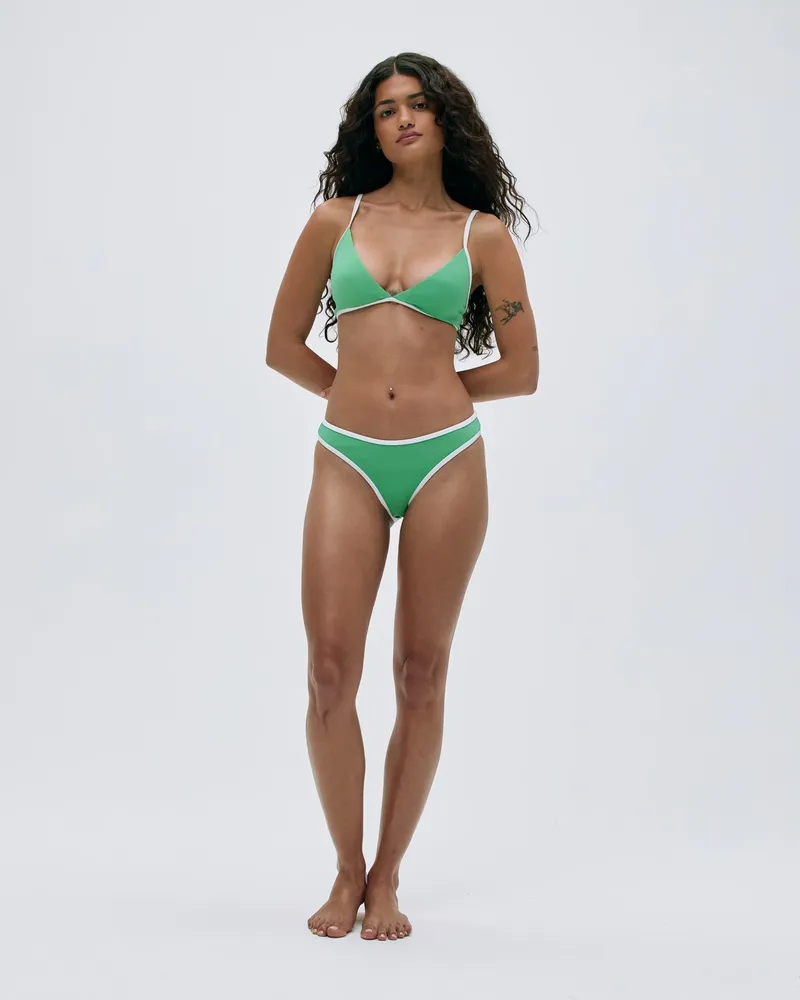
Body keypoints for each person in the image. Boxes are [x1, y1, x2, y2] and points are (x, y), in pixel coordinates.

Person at [265, 51, 539, 942]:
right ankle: (346, 868)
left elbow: (522, 370)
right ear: (371, 130)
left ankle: (387, 875)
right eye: (387, 109)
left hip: (445, 461)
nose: (404, 118)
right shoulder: (333, 221)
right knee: (328, 671)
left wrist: (438, 396)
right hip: (347, 457)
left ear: (446, 120)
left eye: (419, 104)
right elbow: (282, 346)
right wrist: (355, 397)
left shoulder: (482, 236)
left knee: (420, 673)